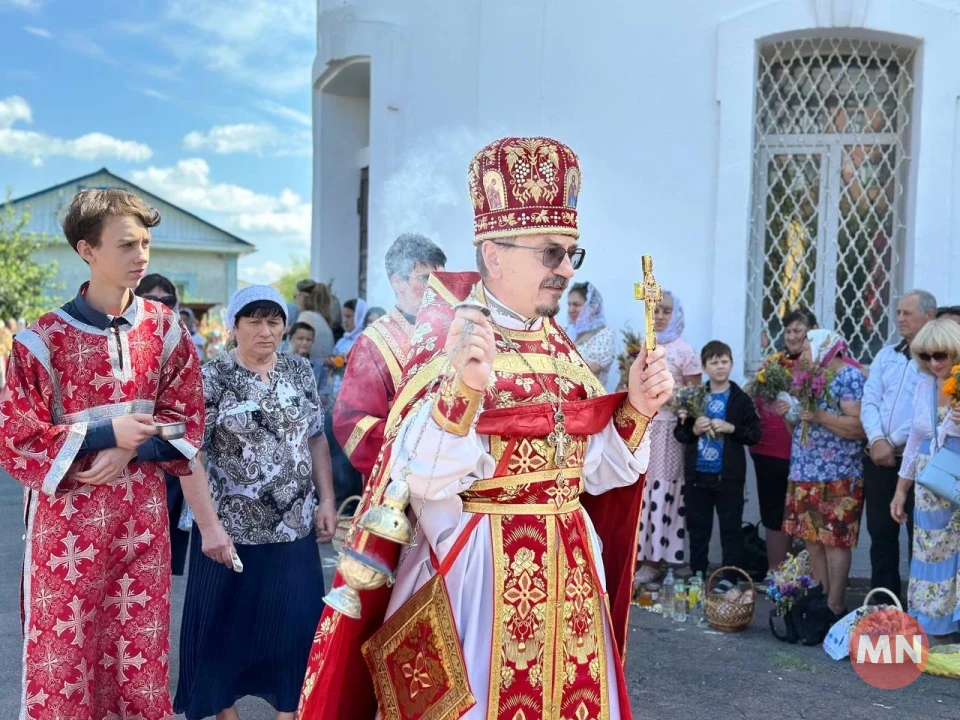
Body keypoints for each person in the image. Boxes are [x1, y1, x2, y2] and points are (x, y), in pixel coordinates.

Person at [299, 136, 674, 719]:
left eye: (573, 252)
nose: (567, 269)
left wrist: (638, 410)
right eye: (551, 253)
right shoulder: (449, 335)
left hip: (571, 581)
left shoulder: (561, 350)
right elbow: (418, 477)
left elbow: (597, 471)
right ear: (494, 254)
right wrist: (463, 393)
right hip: (479, 585)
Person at [0, 189, 210, 719]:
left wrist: (130, 449)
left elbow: (189, 421)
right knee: (64, 661)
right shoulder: (40, 341)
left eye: (145, 243)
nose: (141, 256)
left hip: (141, 523)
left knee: (140, 659)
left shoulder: (165, 329)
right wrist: (106, 433)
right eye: (126, 244)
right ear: (86, 249)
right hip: (66, 529)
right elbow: (15, 438)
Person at [174, 285, 338, 720]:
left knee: (297, 627)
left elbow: (316, 437)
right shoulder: (212, 377)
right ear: (235, 326)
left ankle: (288, 713)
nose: (266, 331)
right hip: (230, 532)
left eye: (274, 321)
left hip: (294, 527)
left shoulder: (300, 370)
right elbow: (192, 455)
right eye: (255, 321)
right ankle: (227, 715)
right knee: (222, 630)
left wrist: (327, 500)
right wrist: (209, 525)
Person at [333, 232, 447, 480]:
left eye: (442, 279)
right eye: (426, 278)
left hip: (456, 476)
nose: (437, 288)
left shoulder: (455, 331)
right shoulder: (373, 343)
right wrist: (416, 444)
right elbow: (350, 422)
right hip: (399, 480)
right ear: (397, 281)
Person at [781, 329, 866, 617]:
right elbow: (801, 427)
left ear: (824, 348)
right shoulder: (811, 378)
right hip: (805, 469)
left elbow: (858, 428)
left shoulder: (849, 377)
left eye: (807, 349)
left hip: (838, 473)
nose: (802, 355)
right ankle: (820, 600)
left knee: (835, 540)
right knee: (811, 538)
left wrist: (819, 416)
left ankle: (835, 607)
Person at [860, 290, 936, 599]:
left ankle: (918, 611)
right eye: (899, 312)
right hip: (878, 459)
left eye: (907, 313)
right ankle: (882, 607)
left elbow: (926, 411)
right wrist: (877, 439)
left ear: (928, 316)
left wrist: (890, 442)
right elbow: (870, 400)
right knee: (880, 534)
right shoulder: (886, 354)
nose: (900, 318)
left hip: (914, 459)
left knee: (918, 535)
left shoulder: (936, 360)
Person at [891, 319, 960, 639]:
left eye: (942, 354)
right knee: (930, 553)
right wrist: (900, 491)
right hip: (929, 487)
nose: (936, 362)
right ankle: (935, 626)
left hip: (956, 480)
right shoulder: (922, 386)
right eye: (928, 355)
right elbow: (914, 443)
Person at [675, 341, 761, 581]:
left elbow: (754, 434)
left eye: (724, 361)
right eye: (714, 362)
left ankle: (729, 578)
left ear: (732, 364)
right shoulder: (694, 397)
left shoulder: (740, 399)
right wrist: (694, 429)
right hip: (697, 476)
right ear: (704, 367)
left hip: (729, 478)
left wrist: (732, 427)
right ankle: (698, 573)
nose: (720, 366)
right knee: (698, 528)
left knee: (730, 529)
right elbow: (680, 434)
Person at [635, 289, 702, 584]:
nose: (660, 317)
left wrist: (675, 403)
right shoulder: (643, 345)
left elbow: (694, 396)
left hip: (670, 431)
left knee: (663, 491)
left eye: (666, 311)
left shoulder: (685, 350)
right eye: (656, 311)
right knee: (643, 491)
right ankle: (637, 557)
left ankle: (657, 560)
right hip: (645, 425)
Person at [751, 308, 817, 570]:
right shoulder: (772, 363)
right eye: (788, 330)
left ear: (812, 332)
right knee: (774, 515)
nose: (791, 336)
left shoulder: (819, 366)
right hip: (769, 451)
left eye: (798, 330)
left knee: (806, 516)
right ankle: (776, 575)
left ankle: (805, 578)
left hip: (807, 453)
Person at [135, 273, 192, 575]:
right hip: (124, 460)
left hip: (166, 456)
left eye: (166, 299)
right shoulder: (118, 338)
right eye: (150, 299)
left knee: (160, 562)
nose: (159, 305)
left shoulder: (182, 344)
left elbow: (189, 416)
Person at [566, 281, 616, 386]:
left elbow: (586, 371)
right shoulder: (564, 332)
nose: (571, 309)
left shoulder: (604, 334)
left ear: (592, 307)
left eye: (576, 304)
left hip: (590, 400)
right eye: (569, 304)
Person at [294, 279, 336, 363]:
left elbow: (296, 350)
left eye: (296, 296)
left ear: (303, 297)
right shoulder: (322, 319)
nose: (295, 300)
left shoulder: (306, 317)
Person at [288, 321, 327, 391]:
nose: (304, 342)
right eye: (300, 338)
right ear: (290, 339)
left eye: (308, 339)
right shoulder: (281, 363)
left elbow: (323, 395)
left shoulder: (319, 368)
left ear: (313, 341)